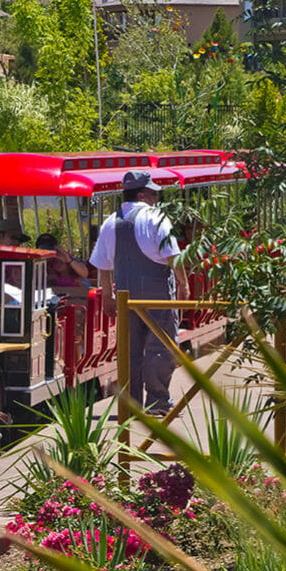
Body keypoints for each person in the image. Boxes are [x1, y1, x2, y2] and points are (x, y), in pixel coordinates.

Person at [90, 171, 189, 415]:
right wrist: (184, 285)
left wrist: (107, 296)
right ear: (143, 195)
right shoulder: (155, 217)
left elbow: (103, 264)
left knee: (129, 349)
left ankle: (130, 405)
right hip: (156, 289)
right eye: (154, 193)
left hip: (124, 291)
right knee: (161, 345)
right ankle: (157, 402)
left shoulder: (110, 221)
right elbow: (172, 255)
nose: (156, 198)